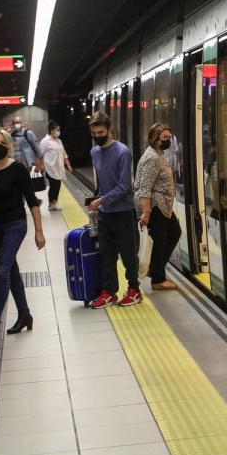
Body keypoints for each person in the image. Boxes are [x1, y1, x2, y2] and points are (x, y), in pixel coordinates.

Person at [0, 128, 46, 340]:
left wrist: (39, 232)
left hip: (16, 225)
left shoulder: (18, 169)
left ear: (8, 146)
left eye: (2, 142)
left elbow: (32, 202)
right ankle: (25, 315)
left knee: (1, 271)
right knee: (11, 272)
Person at [86, 111, 142, 308]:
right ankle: (109, 292)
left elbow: (124, 186)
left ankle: (134, 290)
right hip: (104, 213)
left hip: (123, 212)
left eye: (100, 132)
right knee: (106, 254)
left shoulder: (122, 152)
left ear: (110, 130)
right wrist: (97, 201)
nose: (97, 136)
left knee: (128, 255)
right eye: (94, 133)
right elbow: (102, 182)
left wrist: (101, 200)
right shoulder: (94, 152)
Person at [134, 123, 181, 290]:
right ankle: (158, 279)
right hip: (154, 206)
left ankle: (155, 270)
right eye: (164, 138)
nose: (168, 140)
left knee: (172, 233)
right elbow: (145, 187)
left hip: (161, 205)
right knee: (162, 239)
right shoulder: (153, 158)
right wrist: (146, 212)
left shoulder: (158, 154)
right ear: (155, 139)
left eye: (169, 137)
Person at [40, 120, 73, 211]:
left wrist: (68, 165)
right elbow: (40, 154)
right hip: (49, 168)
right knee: (56, 185)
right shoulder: (45, 141)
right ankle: (55, 202)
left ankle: (51, 204)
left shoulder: (59, 141)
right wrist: (41, 166)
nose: (59, 132)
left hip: (58, 167)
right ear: (51, 130)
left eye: (59, 130)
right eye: (57, 130)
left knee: (54, 185)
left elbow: (64, 154)